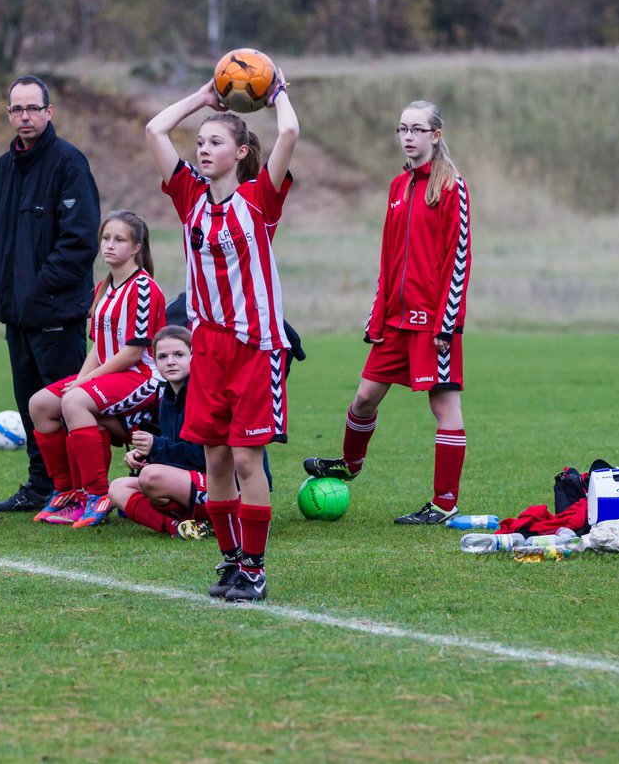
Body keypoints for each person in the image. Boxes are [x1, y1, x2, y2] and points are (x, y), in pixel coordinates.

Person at [145, 72, 298, 602]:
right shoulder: (190, 196)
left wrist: (276, 91)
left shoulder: (259, 200)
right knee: (214, 461)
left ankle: (255, 567)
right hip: (207, 347)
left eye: (215, 142)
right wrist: (203, 99)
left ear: (240, 152)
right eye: (201, 142)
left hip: (255, 347)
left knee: (247, 460)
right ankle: (231, 560)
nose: (203, 149)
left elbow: (290, 135)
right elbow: (155, 129)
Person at [303, 100, 473, 526]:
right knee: (364, 397)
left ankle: (444, 504)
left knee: (444, 409)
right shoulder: (397, 187)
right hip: (394, 321)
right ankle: (350, 464)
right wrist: (376, 315)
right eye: (402, 129)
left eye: (417, 129)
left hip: (434, 323)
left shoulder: (452, 186)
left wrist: (448, 323)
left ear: (435, 135)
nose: (408, 136)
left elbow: (459, 258)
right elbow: (388, 259)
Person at [0, 76, 101, 514]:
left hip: (57, 313)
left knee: (68, 406)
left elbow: (81, 241)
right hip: (16, 315)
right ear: (8, 115)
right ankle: (40, 484)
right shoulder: (2, 169)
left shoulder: (69, 164)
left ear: (49, 112)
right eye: (16, 109)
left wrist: (36, 288)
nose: (24, 116)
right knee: (29, 405)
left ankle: (84, 491)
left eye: (32, 108)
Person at [27, 210, 166, 528]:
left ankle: (98, 495)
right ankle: (68, 493)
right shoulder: (104, 288)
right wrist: (79, 379)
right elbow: (98, 347)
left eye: (119, 240)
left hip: (142, 377)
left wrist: (85, 383)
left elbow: (132, 353)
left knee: (74, 401)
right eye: (106, 238)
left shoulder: (144, 289)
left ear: (136, 248)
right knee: (41, 404)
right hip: (112, 375)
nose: (110, 246)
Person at [108, 325, 214, 540]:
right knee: (117, 488)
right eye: (162, 356)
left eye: (179, 354)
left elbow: (206, 457)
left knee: (151, 476)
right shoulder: (166, 396)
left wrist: (156, 446)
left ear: (194, 357)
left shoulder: (203, 395)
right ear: (155, 362)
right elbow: (176, 450)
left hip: (226, 486)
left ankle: (224, 518)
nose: (171, 361)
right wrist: (145, 455)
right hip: (192, 481)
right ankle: (179, 528)